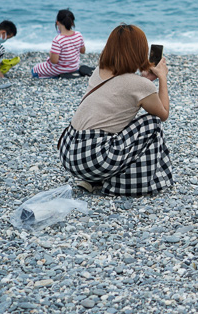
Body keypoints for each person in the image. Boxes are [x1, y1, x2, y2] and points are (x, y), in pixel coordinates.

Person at [58, 24, 172, 195]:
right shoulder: (139, 85)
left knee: (119, 124)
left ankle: (93, 180)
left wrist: (144, 81)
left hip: (69, 152)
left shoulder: (99, 71)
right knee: (153, 123)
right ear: (139, 51)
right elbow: (163, 113)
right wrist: (162, 78)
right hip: (93, 158)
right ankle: (118, 185)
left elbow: (122, 91)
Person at [32, 9, 86, 78]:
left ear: (57, 23)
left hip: (60, 70)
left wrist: (51, 53)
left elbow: (54, 61)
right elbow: (83, 51)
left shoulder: (58, 40)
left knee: (34, 69)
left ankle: (55, 76)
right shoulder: (78, 35)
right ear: (72, 23)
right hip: (74, 67)